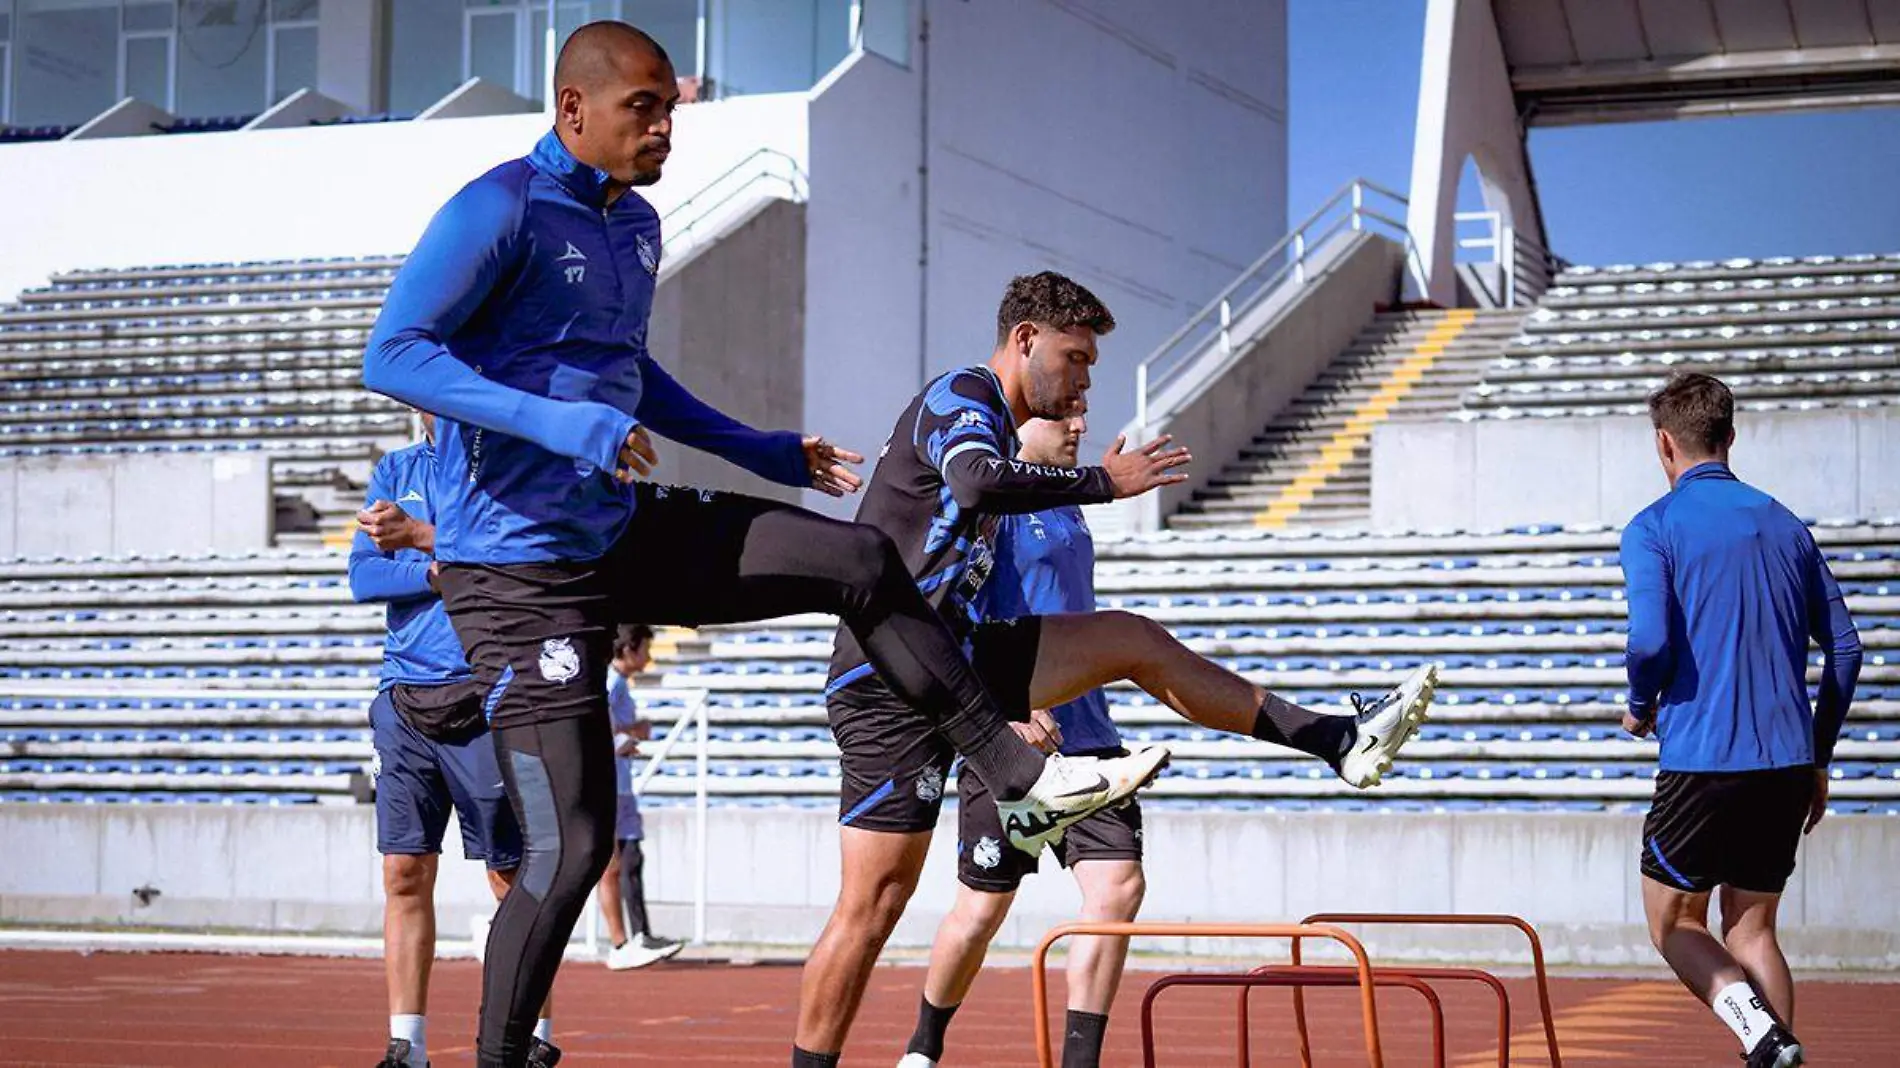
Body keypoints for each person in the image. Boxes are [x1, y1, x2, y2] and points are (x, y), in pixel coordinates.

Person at [360, 22, 1170, 1067]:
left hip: (614, 530)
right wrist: (557, 423)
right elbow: (394, 353)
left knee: (860, 560)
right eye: (641, 107)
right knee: (571, 853)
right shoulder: (499, 207)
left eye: (669, 105)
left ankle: (1012, 771)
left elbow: (630, 373)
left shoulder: (636, 227)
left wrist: (761, 449)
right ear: (573, 109)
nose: (664, 124)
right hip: (518, 573)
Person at [799, 272, 1438, 1066]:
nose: (1085, 379)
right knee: (873, 906)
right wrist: (1106, 482)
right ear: (1026, 339)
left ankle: (1337, 739)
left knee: (1132, 637)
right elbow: (970, 479)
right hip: (886, 676)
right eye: (1077, 357)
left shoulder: (1006, 433)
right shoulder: (961, 395)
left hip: (963, 655)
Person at [1620, 372, 1861, 1068]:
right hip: (1786, 761)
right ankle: (1776, 1050)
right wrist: (1819, 756)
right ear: (1730, 436)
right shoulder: (1788, 525)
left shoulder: (1653, 528)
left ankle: (1761, 1036)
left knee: (1674, 924)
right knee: (1752, 929)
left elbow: (1651, 643)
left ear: (1665, 444)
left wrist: (1640, 707)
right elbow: (1846, 649)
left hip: (1701, 761)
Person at [349, 413, 551, 1068]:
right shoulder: (395, 471)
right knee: (403, 871)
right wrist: (434, 573)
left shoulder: (508, 468)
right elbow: (363, 576)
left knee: (509, 875)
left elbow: (515, 556)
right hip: (404, 699)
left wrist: (423, 548)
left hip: (489, 696)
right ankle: (407, 1046)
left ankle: (531, 1039)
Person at [597, 623, 684, 969]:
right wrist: (635, 731)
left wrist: (628, 740)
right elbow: (601, 731)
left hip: (621, 785)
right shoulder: (610, 683)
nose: (648, 657)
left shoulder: (619, 685)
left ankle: (640, 934)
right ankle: (621, 942)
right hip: (610, 786)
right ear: (629, 648)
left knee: (632, 858)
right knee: (613, 865)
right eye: (645, 648)